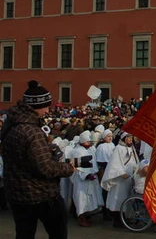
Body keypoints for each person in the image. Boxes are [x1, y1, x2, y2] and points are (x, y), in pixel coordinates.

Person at [0, 80, 75, 239]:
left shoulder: (10, 123)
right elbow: (46, 167)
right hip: (40, 195)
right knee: (58, 233)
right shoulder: (32, 132)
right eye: (47, 106)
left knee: (24, 233)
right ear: (38, 107)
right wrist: (69, 168)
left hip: (16, 192)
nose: (48, 110)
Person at [101, 131, 139, 228]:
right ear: (124, 138)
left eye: (131, 137)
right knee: (118, 199)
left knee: (127, 198)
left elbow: (134, 161)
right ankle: (117, 220)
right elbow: (114, 164)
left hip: (129, 179)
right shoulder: (118, 148)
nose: (131, 139)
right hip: (120, 180)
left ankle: (125, 218)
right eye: (128, 137)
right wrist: (121, 173)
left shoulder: (131, 148)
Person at [68, 130, 104, 227]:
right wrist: (86, 175)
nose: (90, 143)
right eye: (88, 141)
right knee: (81, 199)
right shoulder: (77, 151)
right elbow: (77, 167)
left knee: (90, 199)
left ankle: (87, 216)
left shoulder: (90, 149)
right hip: (81, 180)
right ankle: (81, 218)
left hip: (91, 178)